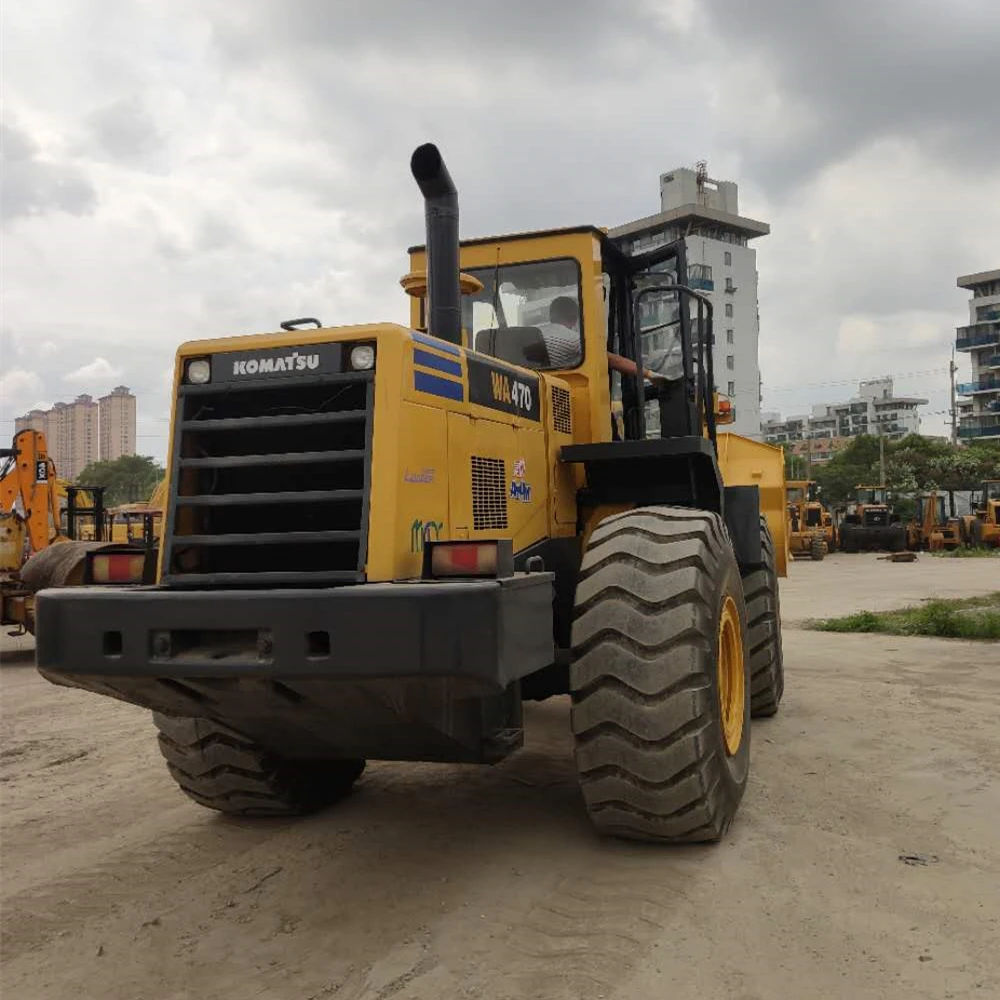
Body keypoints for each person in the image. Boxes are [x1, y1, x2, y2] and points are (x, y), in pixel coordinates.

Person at [536, 295, 583, 368]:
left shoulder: (536, 332)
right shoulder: (574, 339)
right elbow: (599, 357)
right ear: (573, 319)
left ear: (551, 316)